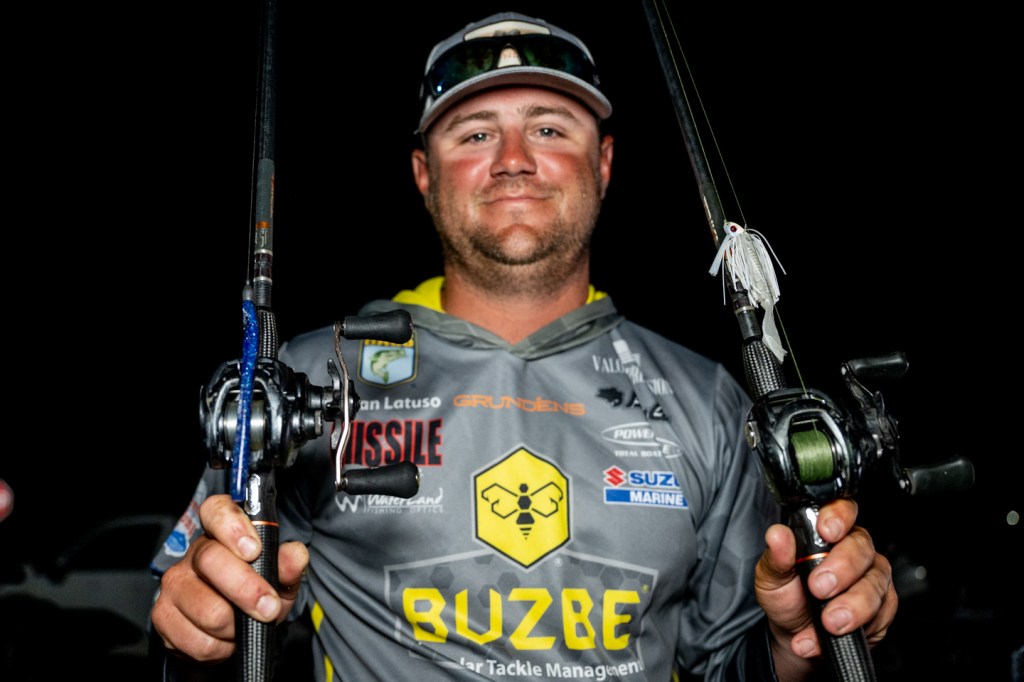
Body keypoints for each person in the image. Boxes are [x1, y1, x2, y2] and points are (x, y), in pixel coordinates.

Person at [150, 10, 897, 681]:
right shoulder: (305, 379)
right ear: (424, 173)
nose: (513, 158)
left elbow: (731, 662)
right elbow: (208, 619)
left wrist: (798, 640)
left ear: (604, 163)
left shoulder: (709, 401)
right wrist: (195, 635)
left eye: (549, 128)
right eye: (476, 134)